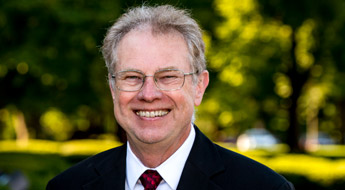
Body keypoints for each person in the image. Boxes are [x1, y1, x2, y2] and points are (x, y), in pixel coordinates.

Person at [46, 5, 295, 190]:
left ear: (199, 86)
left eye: (168, 77)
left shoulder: (263, 187)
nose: (149, 94)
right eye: (132, 77)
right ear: (113, 88)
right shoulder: (66, 187)